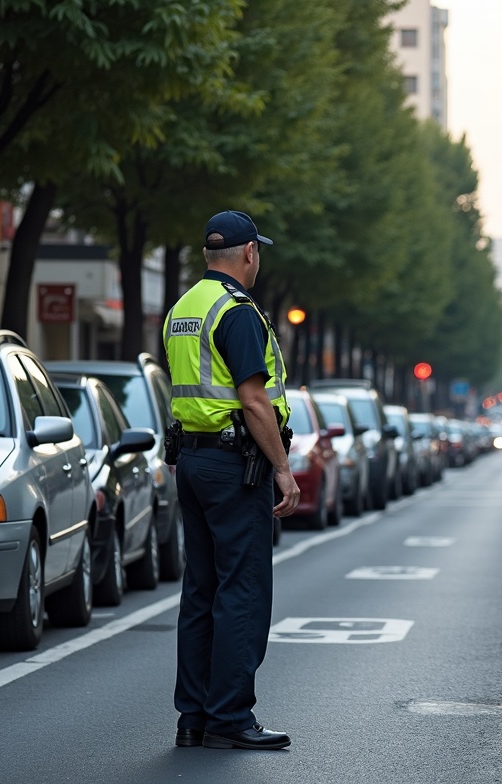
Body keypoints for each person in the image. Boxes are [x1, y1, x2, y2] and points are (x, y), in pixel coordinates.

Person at [163, 210, 300, 751]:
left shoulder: (182, 309)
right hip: (235, 466)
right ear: (248, 254)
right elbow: (252, 398)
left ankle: (193, 718)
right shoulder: (236, 312)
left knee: (200, 592)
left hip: (193, 464)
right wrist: (284, 470)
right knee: (242, 591)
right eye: (258, 251)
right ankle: (231, 718)